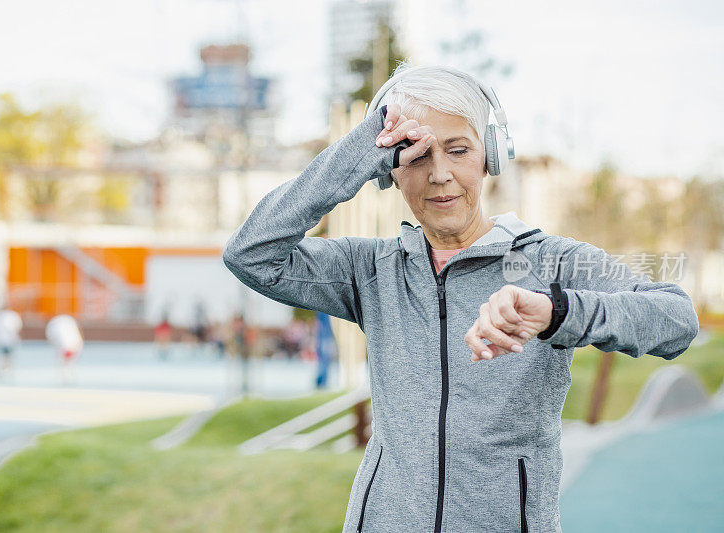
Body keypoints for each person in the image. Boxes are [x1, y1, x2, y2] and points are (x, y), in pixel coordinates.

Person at [222, 62, 700, 532]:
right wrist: (355, 155)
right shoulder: (368, 269)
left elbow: (675, 319)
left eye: (458, 150)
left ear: (490, 156)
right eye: (416, 154)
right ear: (389, 169)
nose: (440, 174)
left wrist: (557, 311)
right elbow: (250, 253)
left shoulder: (554, 262)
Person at [45, 314, 84, 385]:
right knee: (65, 364)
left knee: (67, 364)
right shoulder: (63, 335)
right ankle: (66, 377)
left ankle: (67, 376)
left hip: (68, 346)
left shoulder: (75, 342)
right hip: (65, 345)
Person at [0, 307, 22, 380]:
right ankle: (3, 370)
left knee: (4, 357)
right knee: (5, 357)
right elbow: (15, 328)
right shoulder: (11, 316)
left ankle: (3, 370)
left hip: (3, 340)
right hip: (5, 340)